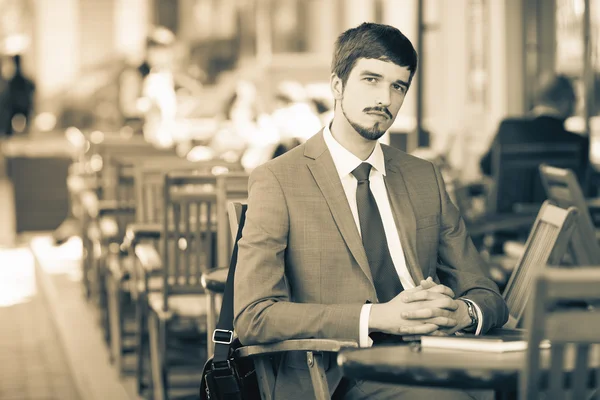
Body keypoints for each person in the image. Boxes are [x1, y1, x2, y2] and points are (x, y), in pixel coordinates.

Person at [234, 22, 508, 400]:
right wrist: (376, 317)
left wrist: (460, 313)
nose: (386, 98)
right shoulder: (278, 180)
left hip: (433, 355)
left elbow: (487, 293)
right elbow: (253, 316)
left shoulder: (423, 176)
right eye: (371, 79)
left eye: (398, 86)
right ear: (337, 85)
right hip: (334, 372)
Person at [480, 74, 589, 181]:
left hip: (511, 199)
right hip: (553, 200)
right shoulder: (578, 143)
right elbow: (587, 185)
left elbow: (486, 167)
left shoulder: (507, 129)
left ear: (538, 99)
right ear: (565, 101)